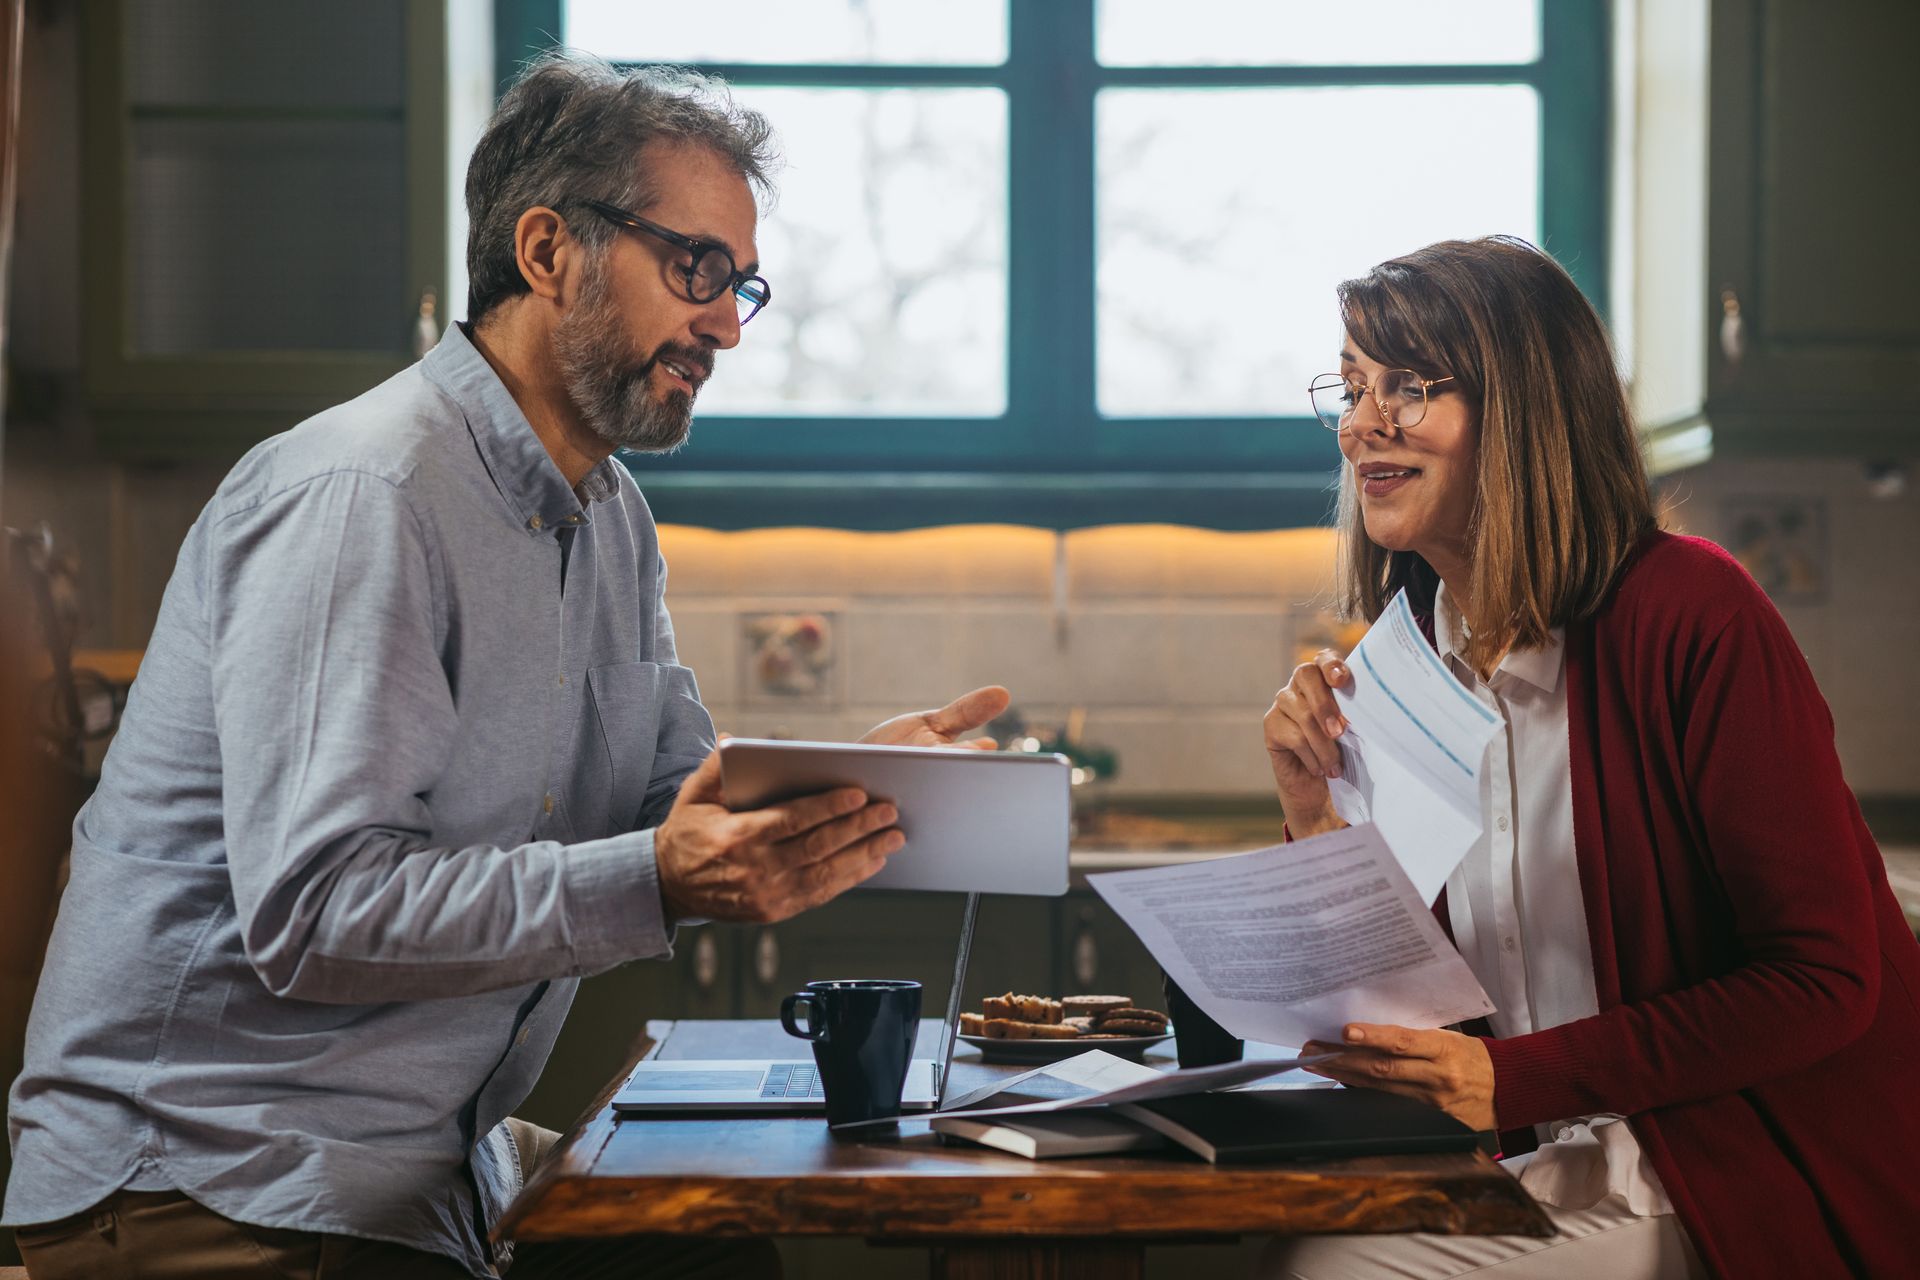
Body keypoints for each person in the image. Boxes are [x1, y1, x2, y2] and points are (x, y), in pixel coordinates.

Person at [3, 53, 1009, 1279]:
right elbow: (317, 912)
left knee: (719, 1251)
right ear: (546, 251)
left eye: (743, 285)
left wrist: (853, 783)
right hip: (217, 1189)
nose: (727, 327)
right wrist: (661, 879)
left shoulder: (612, 516)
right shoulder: (364, 493)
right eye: (696, 269)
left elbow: (673, 799)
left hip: (411, 1185)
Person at [1258, 236, 1920, 1279]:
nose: (1362, 426)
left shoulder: (1691, 613)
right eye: (1350, 388)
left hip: (1732, 1168)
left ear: (1523, 410)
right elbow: (1395, 1038)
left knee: (1343, 1273)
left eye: (1411, 385)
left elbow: (1827, 976)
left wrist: (1510, 1079)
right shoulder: (1399, 662)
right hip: (1540, 1163)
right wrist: (1313, 815)